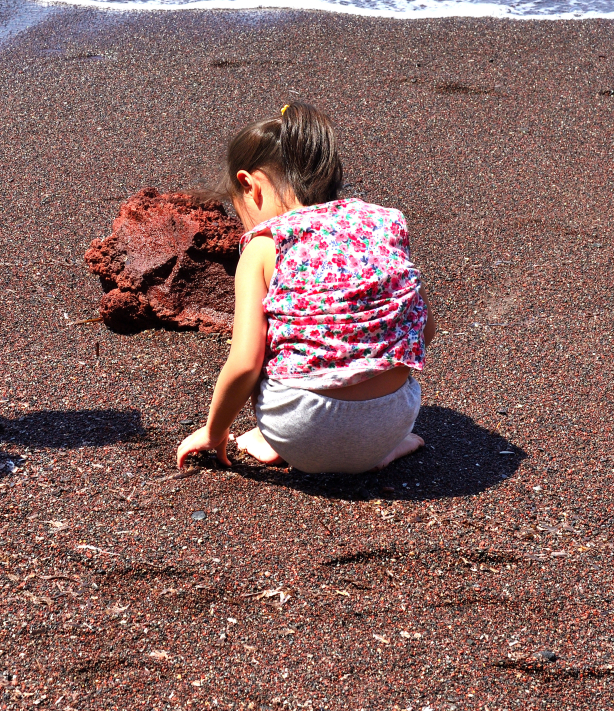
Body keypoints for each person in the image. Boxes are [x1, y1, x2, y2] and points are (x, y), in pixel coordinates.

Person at [176, 103, 434, 475]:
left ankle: (275, 441)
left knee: (271, 346)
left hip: (300, 432)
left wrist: (214, 432)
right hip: (392, 420)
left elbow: (245, 363)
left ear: (250, 185)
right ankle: (379, 450)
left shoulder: (266, 244)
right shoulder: (384, 223)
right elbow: (426, 329)